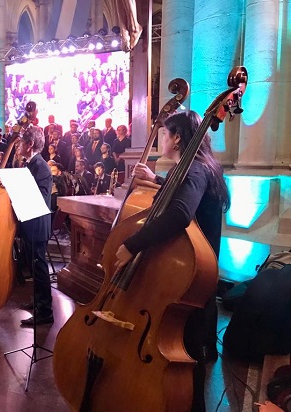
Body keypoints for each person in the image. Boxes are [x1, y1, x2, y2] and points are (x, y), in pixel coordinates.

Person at [114, 111, 230, 412]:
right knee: (189, 357)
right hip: (197, 276)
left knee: (188, 359)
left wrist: (132, 244)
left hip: (190, 278)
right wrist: (157, 180)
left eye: (165, 134)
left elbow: (179, 214)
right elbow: (184, 197)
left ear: (177, 138)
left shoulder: (194, 171)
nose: (162, 139)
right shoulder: (200, 168)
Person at [17, 125, 54, 326]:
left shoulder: (40, 166)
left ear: (30, 144)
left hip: (37, 225)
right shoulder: (31, 164)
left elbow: (40, 197)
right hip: (30, 223)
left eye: (22, 142)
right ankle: (38, 301)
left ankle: (45, 311)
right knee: (33, 266)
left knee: (39, 267)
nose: (19, 146)